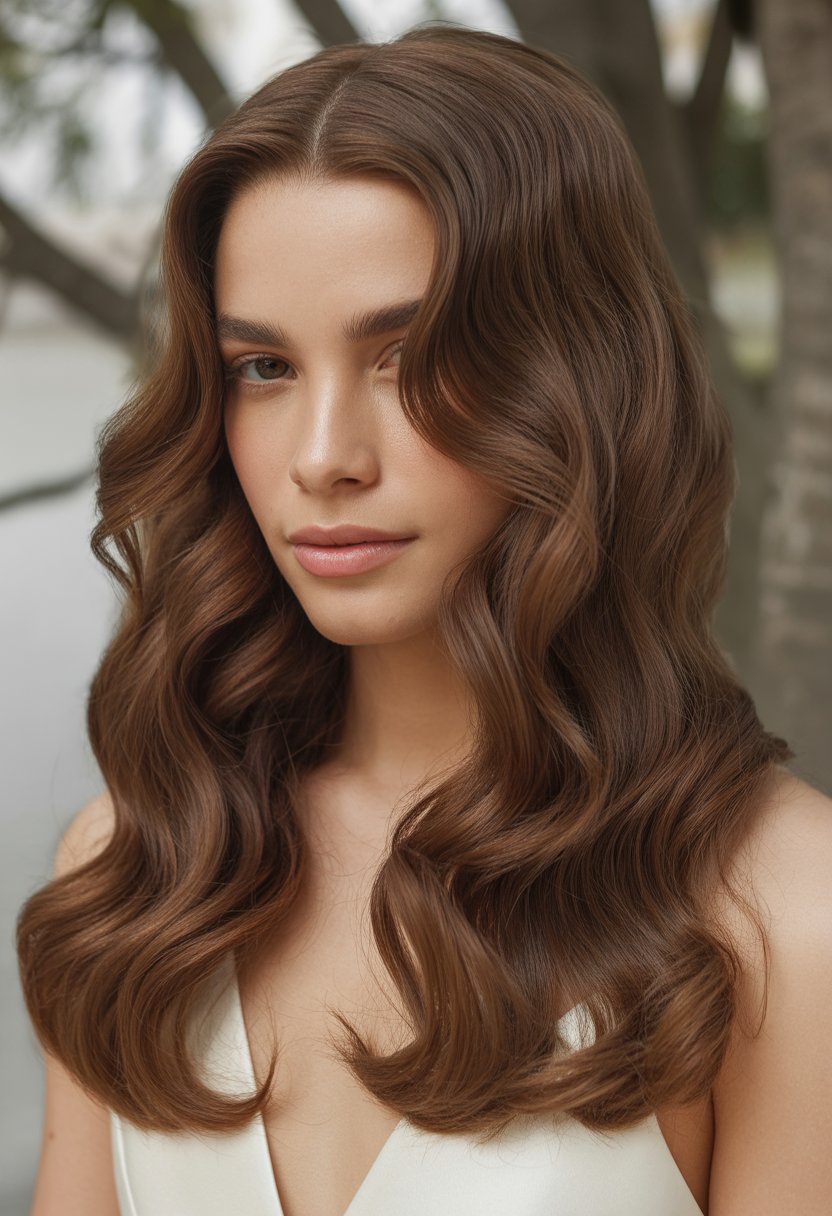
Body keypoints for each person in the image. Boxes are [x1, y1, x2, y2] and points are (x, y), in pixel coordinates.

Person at [16, 22, 832, 1216]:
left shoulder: (785, 911)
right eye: (263, 368)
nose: (323, 457)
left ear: (580, 379)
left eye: (405, 356)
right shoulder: (144, 867)